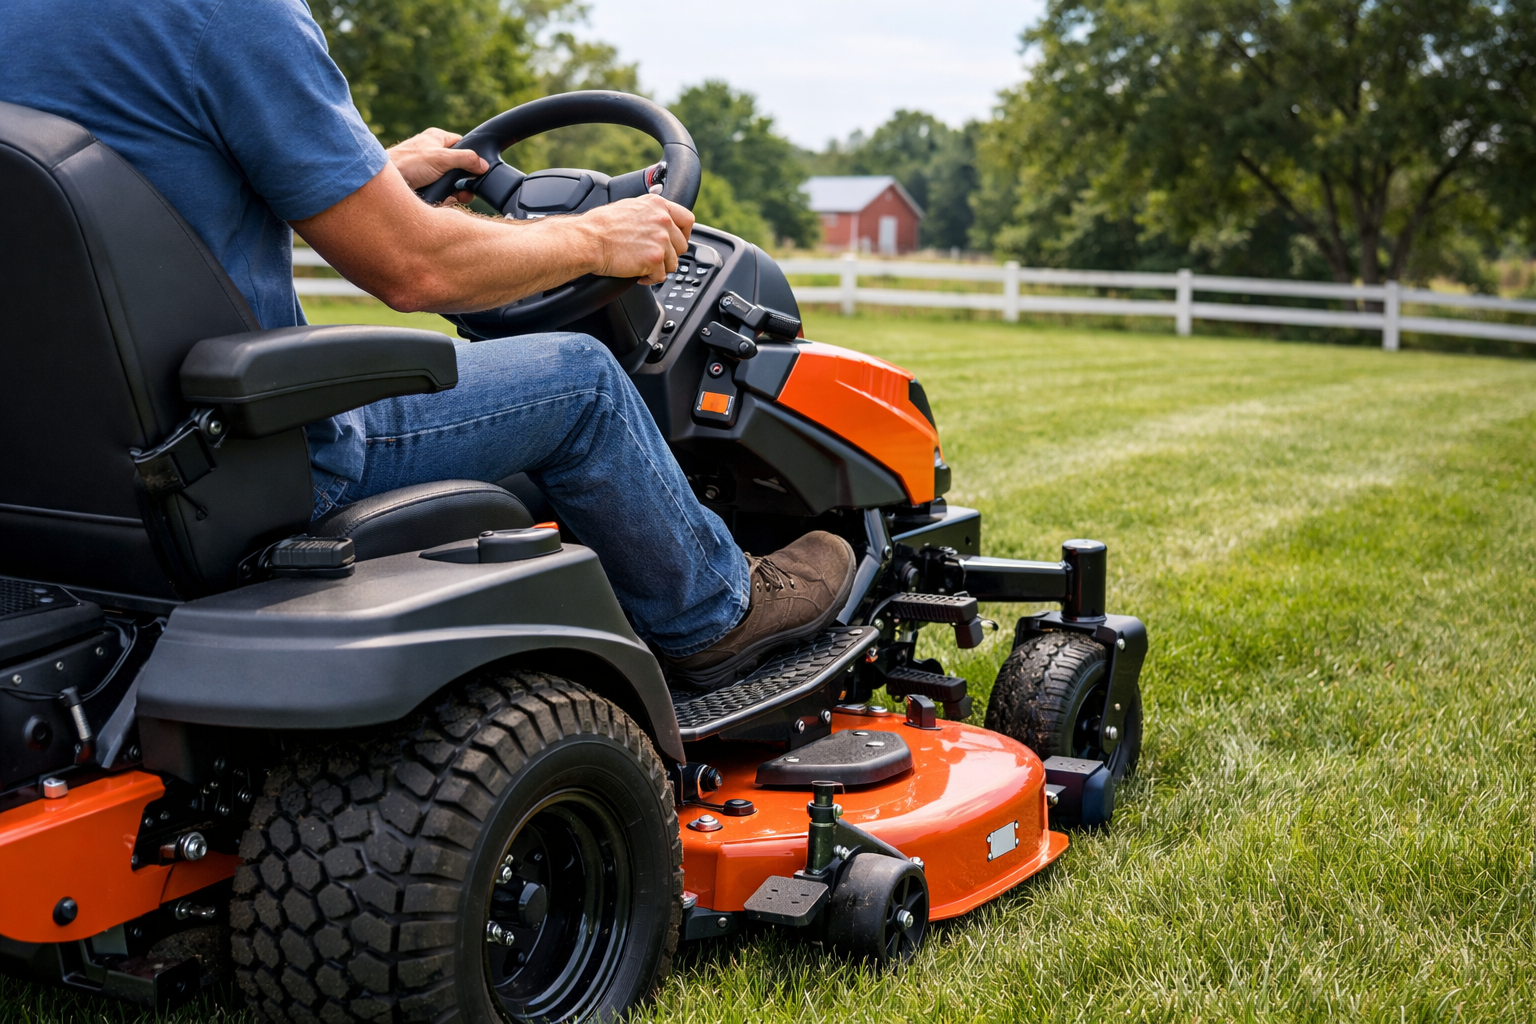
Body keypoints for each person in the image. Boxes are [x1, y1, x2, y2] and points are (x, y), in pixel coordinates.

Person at [0, 0, 855, 690]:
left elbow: (154, 204)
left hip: (58, 469)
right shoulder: (229, 15)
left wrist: (363, 174)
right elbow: (415, 268)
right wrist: (596, 238)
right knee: (583, 377)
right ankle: (714, 611)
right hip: (240, 461)